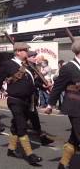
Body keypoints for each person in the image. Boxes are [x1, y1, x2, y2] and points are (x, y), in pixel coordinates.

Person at [0, 42, 42, 165]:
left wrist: (45, 86)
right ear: (18, 52)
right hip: (15, 100)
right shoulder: (8, 64)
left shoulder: (27, 65)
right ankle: (30, 155)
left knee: (15, 126)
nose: (27, 52)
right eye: (25, 50)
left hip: (27, 100)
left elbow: (33, 82)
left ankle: (11, 149)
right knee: (22, 125)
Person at [45, 40, 80, 169]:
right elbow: (58, 87)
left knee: (74, 139)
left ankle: (62, 164)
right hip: (74, 107)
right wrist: (50, 105)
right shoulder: (68, 67)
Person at [26, 51, 54, 146]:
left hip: (33, 96)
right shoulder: (25, 67)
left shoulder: (34, 67)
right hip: (26, 97)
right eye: (33, 56)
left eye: (35, 56)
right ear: (28, 57)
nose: (35, 58)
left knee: (33, 117)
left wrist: (44, 86)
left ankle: (42, 137)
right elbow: (31, 82)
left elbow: (36, 81)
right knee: (27, 119)